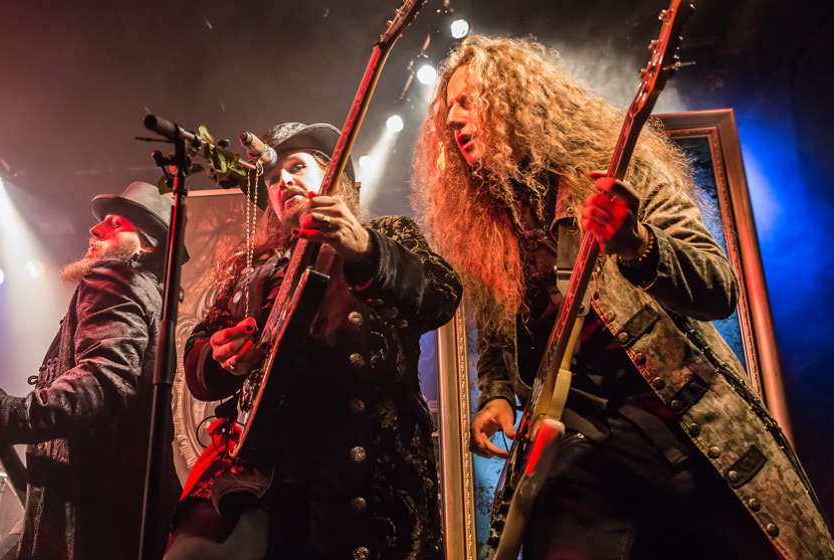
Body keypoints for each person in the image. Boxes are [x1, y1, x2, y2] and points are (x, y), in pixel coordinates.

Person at [412, 36, 834, 559]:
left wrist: (640, 246)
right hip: (578, 448)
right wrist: (496, 392)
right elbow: (499, 326)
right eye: (447, 109)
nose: (453, 119)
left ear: (517, 103)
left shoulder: (619, 171)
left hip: (675, 423)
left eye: (467, 101)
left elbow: (718, 286)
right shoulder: (489, 222)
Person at [165, 122, 462, 560]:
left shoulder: (387, 234)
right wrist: (221, 356)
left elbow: (442, 294)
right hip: (274, 492)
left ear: (334, 177)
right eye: (272, 178)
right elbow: (200, 357)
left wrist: (366, 249)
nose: (282, 181)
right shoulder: (251, 271)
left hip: (366, 488)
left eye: (297, 167)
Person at [0, 182, 182, 560]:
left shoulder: (115, 279)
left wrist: (8, 413)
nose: (95, 228)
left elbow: (102, 382)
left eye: (115, 224)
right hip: (123, 508)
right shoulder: (149, 294)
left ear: (146, 245)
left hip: (94, 514)